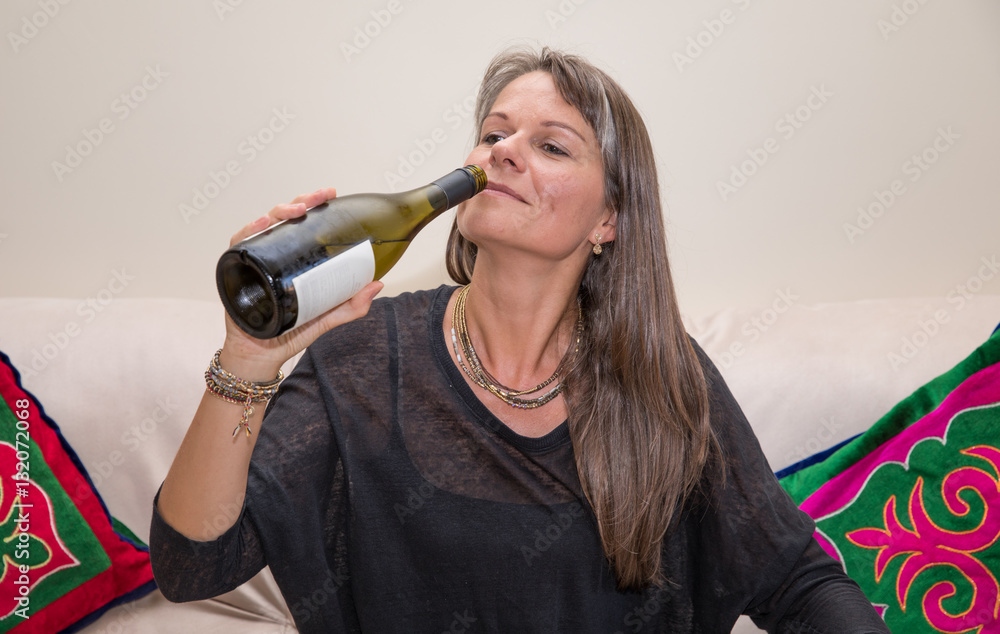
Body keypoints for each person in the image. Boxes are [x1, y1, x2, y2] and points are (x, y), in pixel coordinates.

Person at [150, 47, 890, 633]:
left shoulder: (663, 379)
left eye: (552, 147)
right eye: (494, 133)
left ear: (609, 222)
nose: (502, 153)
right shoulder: (363, 355)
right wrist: (246, 360)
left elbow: (796, 581)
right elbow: (191, 566)